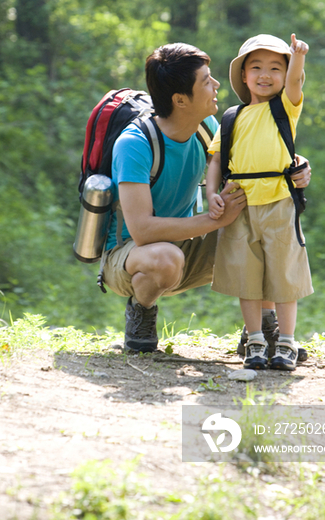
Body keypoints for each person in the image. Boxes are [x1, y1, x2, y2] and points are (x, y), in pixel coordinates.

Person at [100, 42, 311, 354]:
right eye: (206, 81)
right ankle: (142, 311)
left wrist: (295, 167)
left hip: (188, 239)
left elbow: (253, 162)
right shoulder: (135, 144)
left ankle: (263, 329)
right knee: (165, 258)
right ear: (180, 100)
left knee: (263, 229)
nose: (216, 85)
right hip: (134, 255)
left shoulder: (208, 127)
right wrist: (214, 219)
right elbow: (142, 231)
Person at [206, 34, 313, 371]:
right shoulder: (231, 117)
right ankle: (255, 341)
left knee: (284, 274)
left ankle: (286, 343)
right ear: (243, 75)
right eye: (256, 67)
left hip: (279, 200)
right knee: (245, 275)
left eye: (275, 68)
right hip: (239, 204)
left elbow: (296, 80)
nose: (265, 74)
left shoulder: (284, 108)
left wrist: (297, 56)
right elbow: (216, 160)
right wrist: (212, 194)